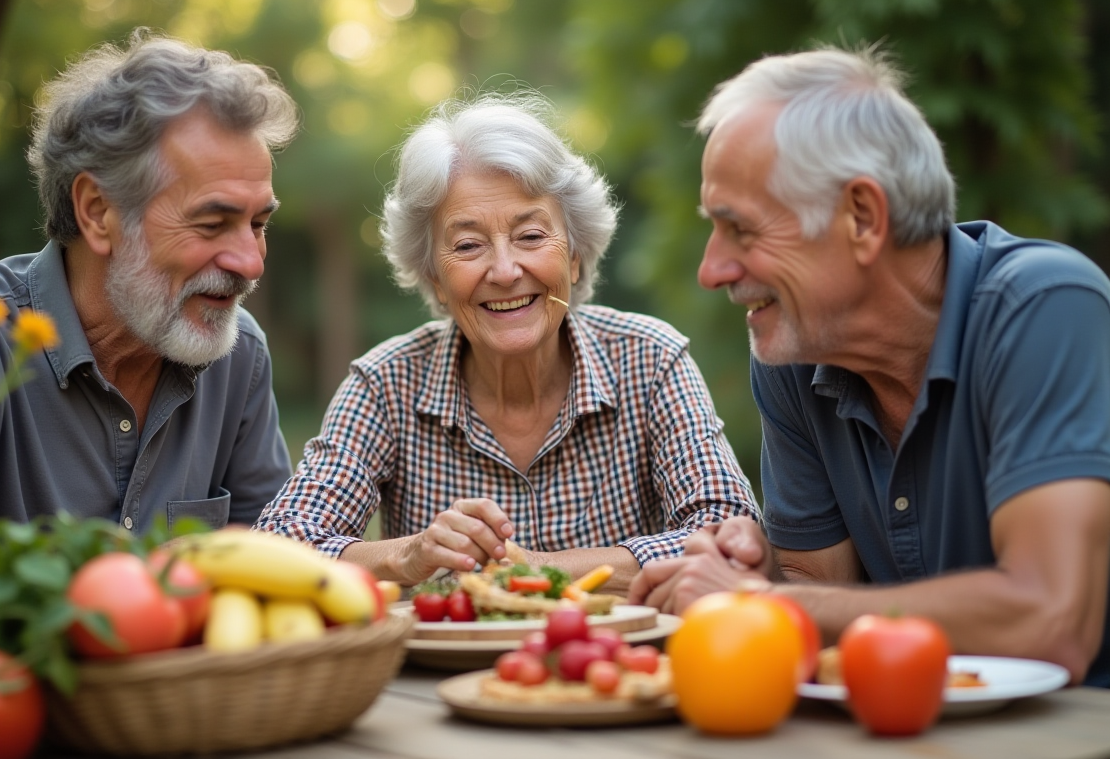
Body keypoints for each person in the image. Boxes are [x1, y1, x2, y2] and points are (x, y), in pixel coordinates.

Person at [628, 46, 1110, 686]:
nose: (711, 270)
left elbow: (1051, 621)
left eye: (740, 229)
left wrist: (766, 602)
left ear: (862, 217)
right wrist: (757, 575)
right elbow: (817, 587)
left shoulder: (1043, 305)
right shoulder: (793, 353)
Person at [256, 93, 758, 594]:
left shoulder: (650, 359)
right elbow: (279, 542)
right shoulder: (386, 383)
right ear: (434, 279)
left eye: (531, 236)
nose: (504, 270)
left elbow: (732, 534)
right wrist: (406, 556)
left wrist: (535, 569)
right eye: (468, 245)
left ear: (574, 257)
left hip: (617, 647)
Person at [0, 31, 299, 582]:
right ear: (97, 212)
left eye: (258, 225)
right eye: (212, 224)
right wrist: (146, 592)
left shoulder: (239, 352)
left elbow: (280, 566)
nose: (251, 263)